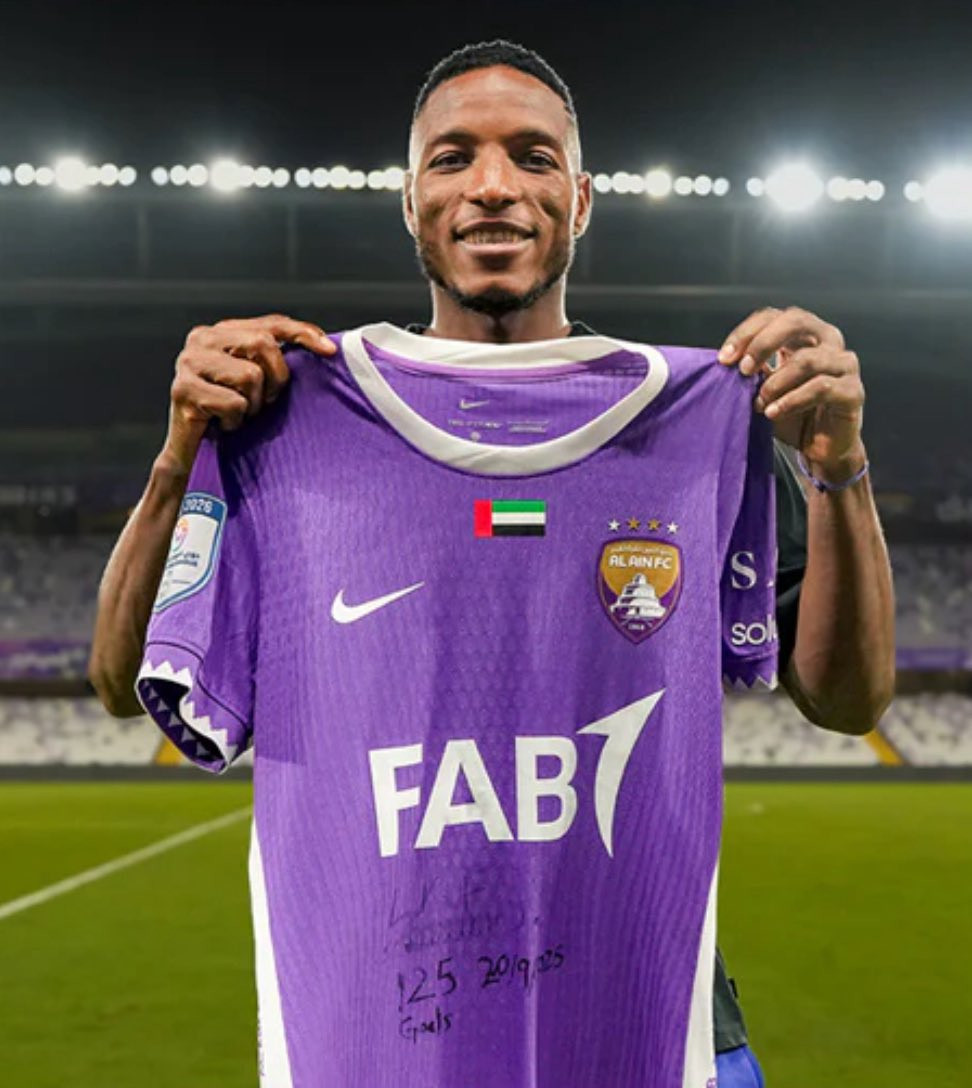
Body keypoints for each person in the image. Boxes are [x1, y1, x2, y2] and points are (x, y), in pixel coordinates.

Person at [89, 40, 894, 1088]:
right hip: (393, 1036)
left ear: (582, 199)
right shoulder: (285, 418)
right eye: (454, 156)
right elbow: (122, 682)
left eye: (534, 155)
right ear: (411, 199)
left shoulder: (696, 428)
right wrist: (178, 461)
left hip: (659, 1023)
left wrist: (841, 470)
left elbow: (849, 698)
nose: (495, 184)